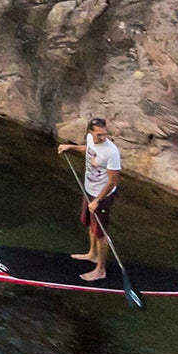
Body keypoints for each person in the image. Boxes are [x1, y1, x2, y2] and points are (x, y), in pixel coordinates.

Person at [57, 115, 122, 283]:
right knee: (91, 224)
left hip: (102, 196)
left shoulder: (112, 152)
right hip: (89, 190)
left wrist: (97, 201)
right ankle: (92, 254)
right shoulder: (91, 140)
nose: (103, 137)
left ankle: (100, 270)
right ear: (90, 133)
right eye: (99, 134)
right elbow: (89, 150)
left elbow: (113, 181)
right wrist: (69, 147)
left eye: (104, 134)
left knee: (100, 233)